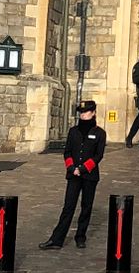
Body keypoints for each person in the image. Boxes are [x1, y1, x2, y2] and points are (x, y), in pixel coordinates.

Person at [39, 99, 106, 249]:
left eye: (86, 112)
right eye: (81, 112)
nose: (83, 115)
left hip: (89, 175)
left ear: (93, 113)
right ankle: (57, 239)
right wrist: (71, 168)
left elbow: (98, 155)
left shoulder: (100, 133)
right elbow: (67, 152)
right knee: (68, 206)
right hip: (73, 174)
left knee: (86, 207)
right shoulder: (73, 131)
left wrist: (82, 169)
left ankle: (80, 237)